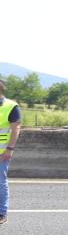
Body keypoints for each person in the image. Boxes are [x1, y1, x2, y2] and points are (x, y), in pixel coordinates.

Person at [0, 77, 23, 226]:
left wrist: (10, 149)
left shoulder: (11, 106)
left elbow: (16, 129)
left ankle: (2, 212)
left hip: (2, 152)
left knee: (0, 182)